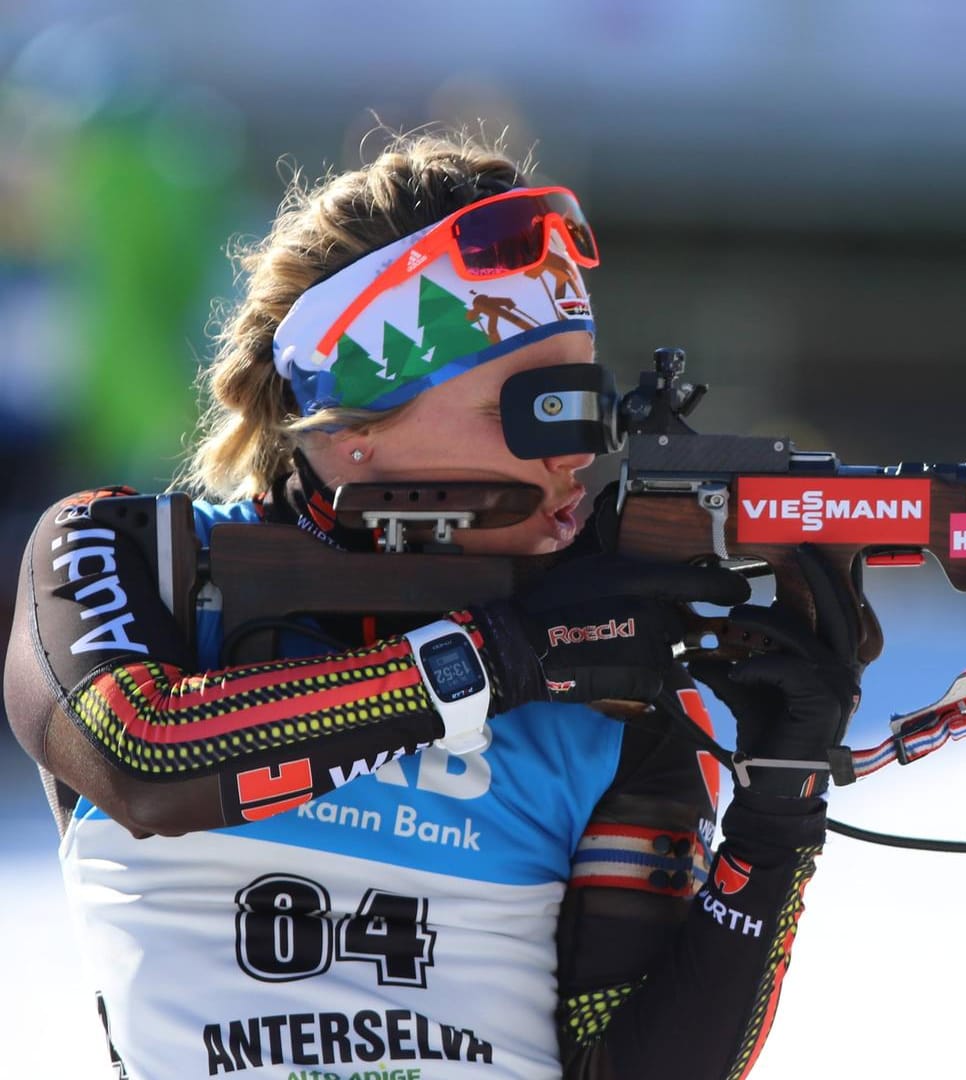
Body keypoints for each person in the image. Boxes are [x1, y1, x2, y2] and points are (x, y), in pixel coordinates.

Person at [4, 131, 861, 1078]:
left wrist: (779, 817)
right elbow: (142, 757)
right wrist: (494, 659)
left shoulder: (608, 687)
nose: (574, 451)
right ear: (361, 420)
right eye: (534, 406)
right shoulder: (135, 557)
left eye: (592, 404)